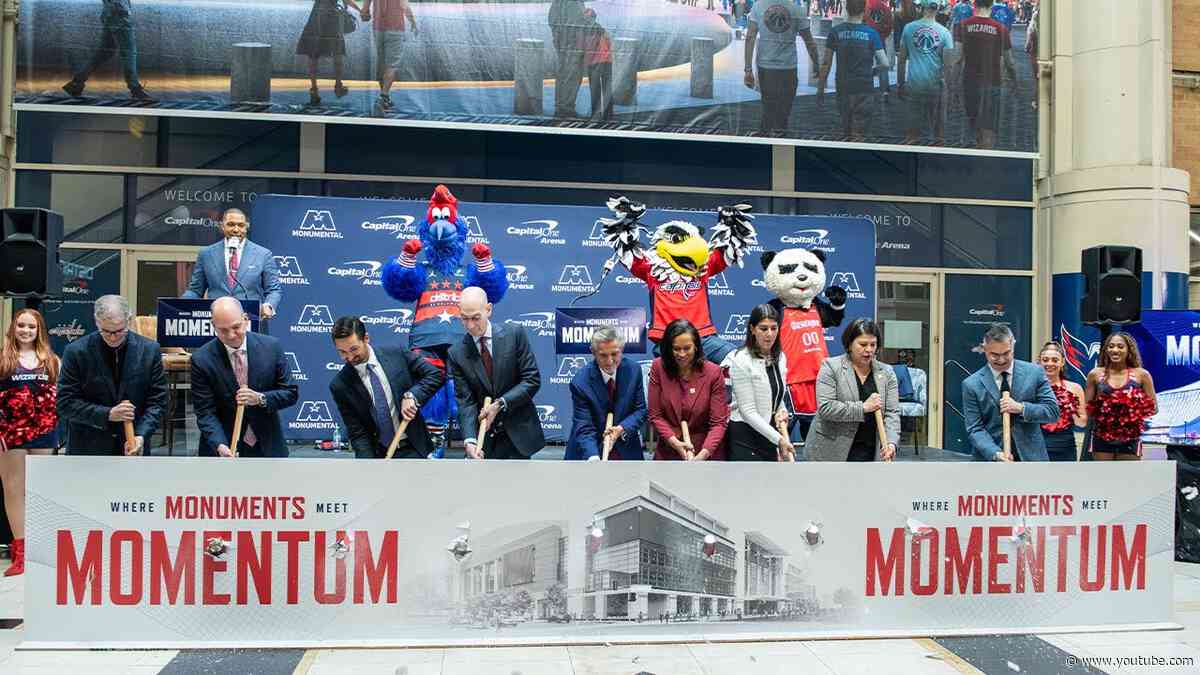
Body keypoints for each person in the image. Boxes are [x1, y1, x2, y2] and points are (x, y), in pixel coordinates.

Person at [57, 295, 166, 455]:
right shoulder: (76, 352)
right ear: (97, 322)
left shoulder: (149, 350)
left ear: (129, 320)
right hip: (88, 449)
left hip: (134, 446)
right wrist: (107, 414)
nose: (113, 337)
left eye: (120, 331)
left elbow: (158, 402)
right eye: (106, 331)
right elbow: (65, 403)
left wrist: (141, 435)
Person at [190, 297, 299, 458]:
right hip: (223, 449)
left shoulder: (271, 347)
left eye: (236, 327)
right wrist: (220, 445)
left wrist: (260, 398)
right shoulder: (201, 359)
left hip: (268, 445)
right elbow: (205, 412)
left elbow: (291, 393)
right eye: (223, 330)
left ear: (246, 319)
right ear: (213, 326)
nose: (231, 335)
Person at [448, 286, 544, 459]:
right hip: (485, 441)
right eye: (464, 318)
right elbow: (465, 401)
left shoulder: (514, 334)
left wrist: (500, 404)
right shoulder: (456, 353)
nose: (470, 325)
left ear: (489, 309)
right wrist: (470, 440)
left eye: (475, 318)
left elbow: (532, 380)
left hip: (519, 436)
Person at [328, 316, 444, 459]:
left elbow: (435, 375)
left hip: (414, 448)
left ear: (366, 338)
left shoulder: (397, 353)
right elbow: (358, 433)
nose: (350, 357)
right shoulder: (340, 385)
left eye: (354, 349)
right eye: (342, 352)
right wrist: (367, 466)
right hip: (378, 455)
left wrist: (412, 395)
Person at [0, 309, 60, 576]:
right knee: (14, 490)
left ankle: (42, 550)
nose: (25, 330)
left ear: (40, 331)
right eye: (21, 325)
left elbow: (62, 397)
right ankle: (21, 554)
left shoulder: (52, 360)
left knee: (42, 491)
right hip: (10, 434)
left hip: (44, 432)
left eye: (31, 327)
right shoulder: (3, 359)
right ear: (13, 328)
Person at [961, 323, 1058, 461]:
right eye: (994, 355)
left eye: (1006, 353)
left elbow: (1052, 412)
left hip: (1031, 460)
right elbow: (975, 429)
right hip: (990, 462)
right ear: (984, 349)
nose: (1001, 360)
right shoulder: (971, 384)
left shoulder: (1034, 373)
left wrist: (1021, 408)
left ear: (1013, 346)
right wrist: (995, 453)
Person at [806, 318, 898, 461]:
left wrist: (891, 443)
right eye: (863, 344)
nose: (869, 350)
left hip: (870, 450)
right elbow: (826, 407)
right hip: (831, 451)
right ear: (849, 344)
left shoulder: (887, 373)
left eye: (873, 345)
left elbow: (892, 413)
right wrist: (863, 408)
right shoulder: (831, 367)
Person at [647, 319, 729, 461]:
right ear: (668, 348)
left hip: (705, 452)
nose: (682, 354)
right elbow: (655, 415)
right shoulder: (658, 367)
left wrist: (703, 454)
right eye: (676, 349)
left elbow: (718, 423)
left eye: (687, 348)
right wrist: (674, 442)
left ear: (696, 347)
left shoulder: (713, 372)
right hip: (669, 451)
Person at [182, 208, 282, 320]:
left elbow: (274, 290)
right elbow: (195, 290)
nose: (236, 229)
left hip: (251, 320)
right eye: (231, 224)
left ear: (246, 227)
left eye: (240, 225)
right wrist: (180, 305)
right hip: (217, 322)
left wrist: (268, 306)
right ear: (222, 226)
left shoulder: (263, 254)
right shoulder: (206, 254)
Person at [565, 326, 647, 461]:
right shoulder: (580, 382)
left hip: (625, 448)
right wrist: (593, 457)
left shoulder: (634, 371)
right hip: (590, 450)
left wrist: (621, 428)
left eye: (615, 354)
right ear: (593, 352)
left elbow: (640, 410)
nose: (609, 361)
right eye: (603, 355)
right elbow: (584, 426)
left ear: (622, 350)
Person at [728, 304, 795, 462]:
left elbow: (776, 396)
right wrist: (779, 439)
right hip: (745, 436)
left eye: (774, 328)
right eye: (763, 329)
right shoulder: (741, 360)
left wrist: (782, 410)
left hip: (769, 435)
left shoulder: (780, 357)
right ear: (752, 329)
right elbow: (748, 411)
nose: (769, 334)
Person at [817, 0, 890, 141]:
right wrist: (873, 71)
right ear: (864, 11)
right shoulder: (871, 33)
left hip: (843, 86)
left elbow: (826, 63)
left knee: (846, 127)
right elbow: (885, 64)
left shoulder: (835, 32)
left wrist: (820, 89)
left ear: (846, 8)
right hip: (864, 87)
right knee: (860, 132)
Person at [743, 0, 820, 132]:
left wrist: (748, 69)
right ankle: (780, 139)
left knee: (767, 108)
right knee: (784, 113)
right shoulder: (797, 10)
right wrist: (816, 63)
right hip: (788, 67)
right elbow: (809, 41)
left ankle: (765, 138)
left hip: (765, 67)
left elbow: (750, 37)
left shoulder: (758, 6)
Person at [1085, 332, 1157, 461]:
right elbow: (1087, 408)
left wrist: (1131, 409)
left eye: (1120, 346)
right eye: (1111, 346)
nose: (1115, 350)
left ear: (1129, 350)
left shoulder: (1142, 375)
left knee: (1128, 479)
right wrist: (1105, 411)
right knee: (1102, 478)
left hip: (1130, 439)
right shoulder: (1095, 374)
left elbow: (1153, 408)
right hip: (1101, 438)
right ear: (1106, 350)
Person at [954, 0, 1015, 149]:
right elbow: (1009, 62)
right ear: (991, 6)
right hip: (993, 81)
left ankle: (974, 146)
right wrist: (1015, 81)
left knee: (972, 119)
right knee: (989, 123)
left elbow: (957, 59)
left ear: (974, 5)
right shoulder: (1001, 29)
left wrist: (953, 84)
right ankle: (986, 150)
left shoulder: (962, 26)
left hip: (970, 80)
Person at [61, 0, 152, 100]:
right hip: (120, 14)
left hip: (111, 13)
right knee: (129, 53)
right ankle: (135, 89)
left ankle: (76, 83)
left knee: (104, 53)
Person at [897, 0, 955, 144]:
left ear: (921, 7)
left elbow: (902, 60)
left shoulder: (908, 29)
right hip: (936, 87)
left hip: (914, 85)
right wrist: (950, 90)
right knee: (939, 135)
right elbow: (948, 66)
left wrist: (900, 83)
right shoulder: (945, 33)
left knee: (912, 134)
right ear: (938, 9)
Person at [297, 0, 363, 106]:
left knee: (313, 53)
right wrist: (361, 10)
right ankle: (338, 85)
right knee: (338, 51)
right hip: (332, 18)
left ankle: (314, 89)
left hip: (317, 16)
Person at [360, 0, 418, 111]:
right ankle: (384, 96)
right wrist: (413, 22)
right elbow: (404, 6)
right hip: (395, 29)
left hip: (378, 29)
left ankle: (385, 97)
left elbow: (364, 11)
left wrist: (365, 14)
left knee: (382, 64)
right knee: (391, 65)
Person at [1038, 341, 1086, 462]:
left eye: (1055, 360)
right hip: (1038, 445)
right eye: (1045, 360)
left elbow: (1082, 423)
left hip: (1066, 446)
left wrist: (1070, 407)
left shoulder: (1075, 388)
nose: (1050, 363)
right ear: (1039, 362)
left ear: (1062, 362)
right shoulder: (1031, 387)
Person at [548, 0, 588, 118]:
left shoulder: (568, 3)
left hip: (570, 44)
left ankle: (563, 107)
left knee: (567, 75)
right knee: (571, 75)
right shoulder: (570, 3)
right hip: (571, 45)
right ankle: (565, 108)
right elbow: (555, 21)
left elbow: (553, 19)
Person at [580, 8, 614, 121]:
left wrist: (585, 61)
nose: (586, 21)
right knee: (607, 88)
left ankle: (596, 114)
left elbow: (588, 47)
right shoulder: (601, 29)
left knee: (595, 90)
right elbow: (609, 42)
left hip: (595, 63)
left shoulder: (588, 30)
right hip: (607, 62)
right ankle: (609, 114)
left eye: (587, 18)